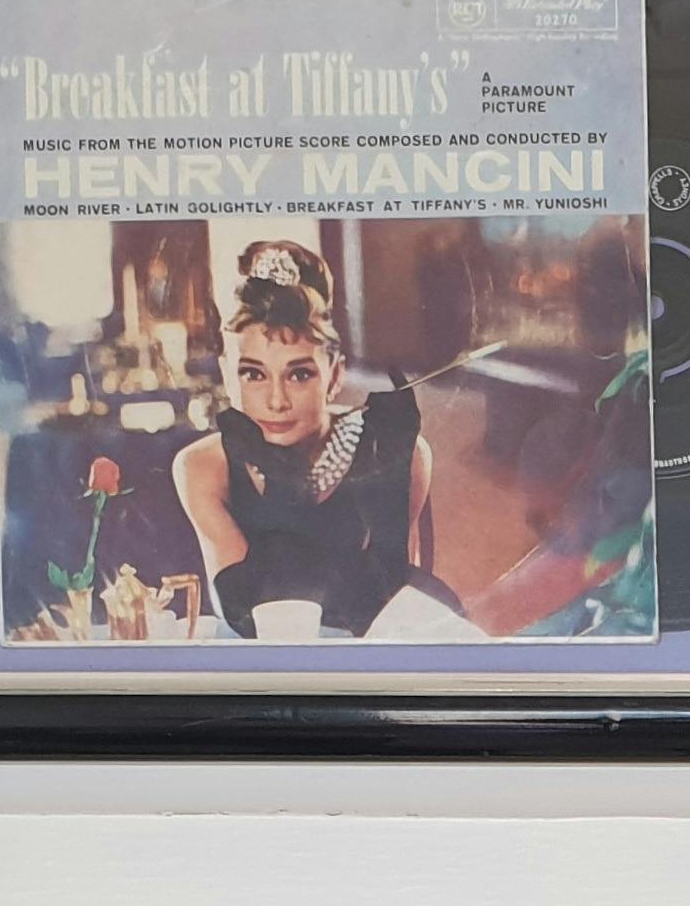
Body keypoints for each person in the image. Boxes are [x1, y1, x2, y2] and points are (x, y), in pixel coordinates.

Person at [172, 239, 471, 640]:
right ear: (228, 375)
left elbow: (401, 606)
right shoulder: (202, 467)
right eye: (254, 374)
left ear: (334, 375)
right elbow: (248, 610)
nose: (276, 401)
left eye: (299, 374)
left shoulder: (397, 452)